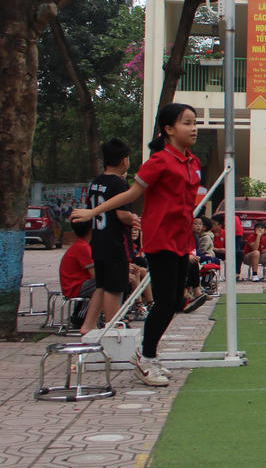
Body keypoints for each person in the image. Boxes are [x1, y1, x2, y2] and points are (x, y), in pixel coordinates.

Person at [71, 103, 203, 388]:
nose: (193, 128)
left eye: (195, 123)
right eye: (187, 123)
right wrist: (93, 213)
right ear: (168, 129)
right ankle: (145, 358)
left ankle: (149, 355)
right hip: (160, 240)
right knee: (165, 301)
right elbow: (131, 193)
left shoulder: (193, 162)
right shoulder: (158, 161)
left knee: (176, 301)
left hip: (182, 240)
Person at [84, 138, 137, 335]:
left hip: (98, 240)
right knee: (114, 287)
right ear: (124, 160)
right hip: (116, 242)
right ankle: (112, 327)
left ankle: (88, 324)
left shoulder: (95, 183)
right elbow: (121, 214)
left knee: (102, 284)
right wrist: (135, 219)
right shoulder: (119, 184)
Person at [59, 218, 97, 331]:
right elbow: (95, 275)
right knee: (106, 284)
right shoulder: (83, 247)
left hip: (78, 285)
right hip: (75, 287)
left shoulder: (82, 245)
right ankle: (82, 318)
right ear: (91, 229)